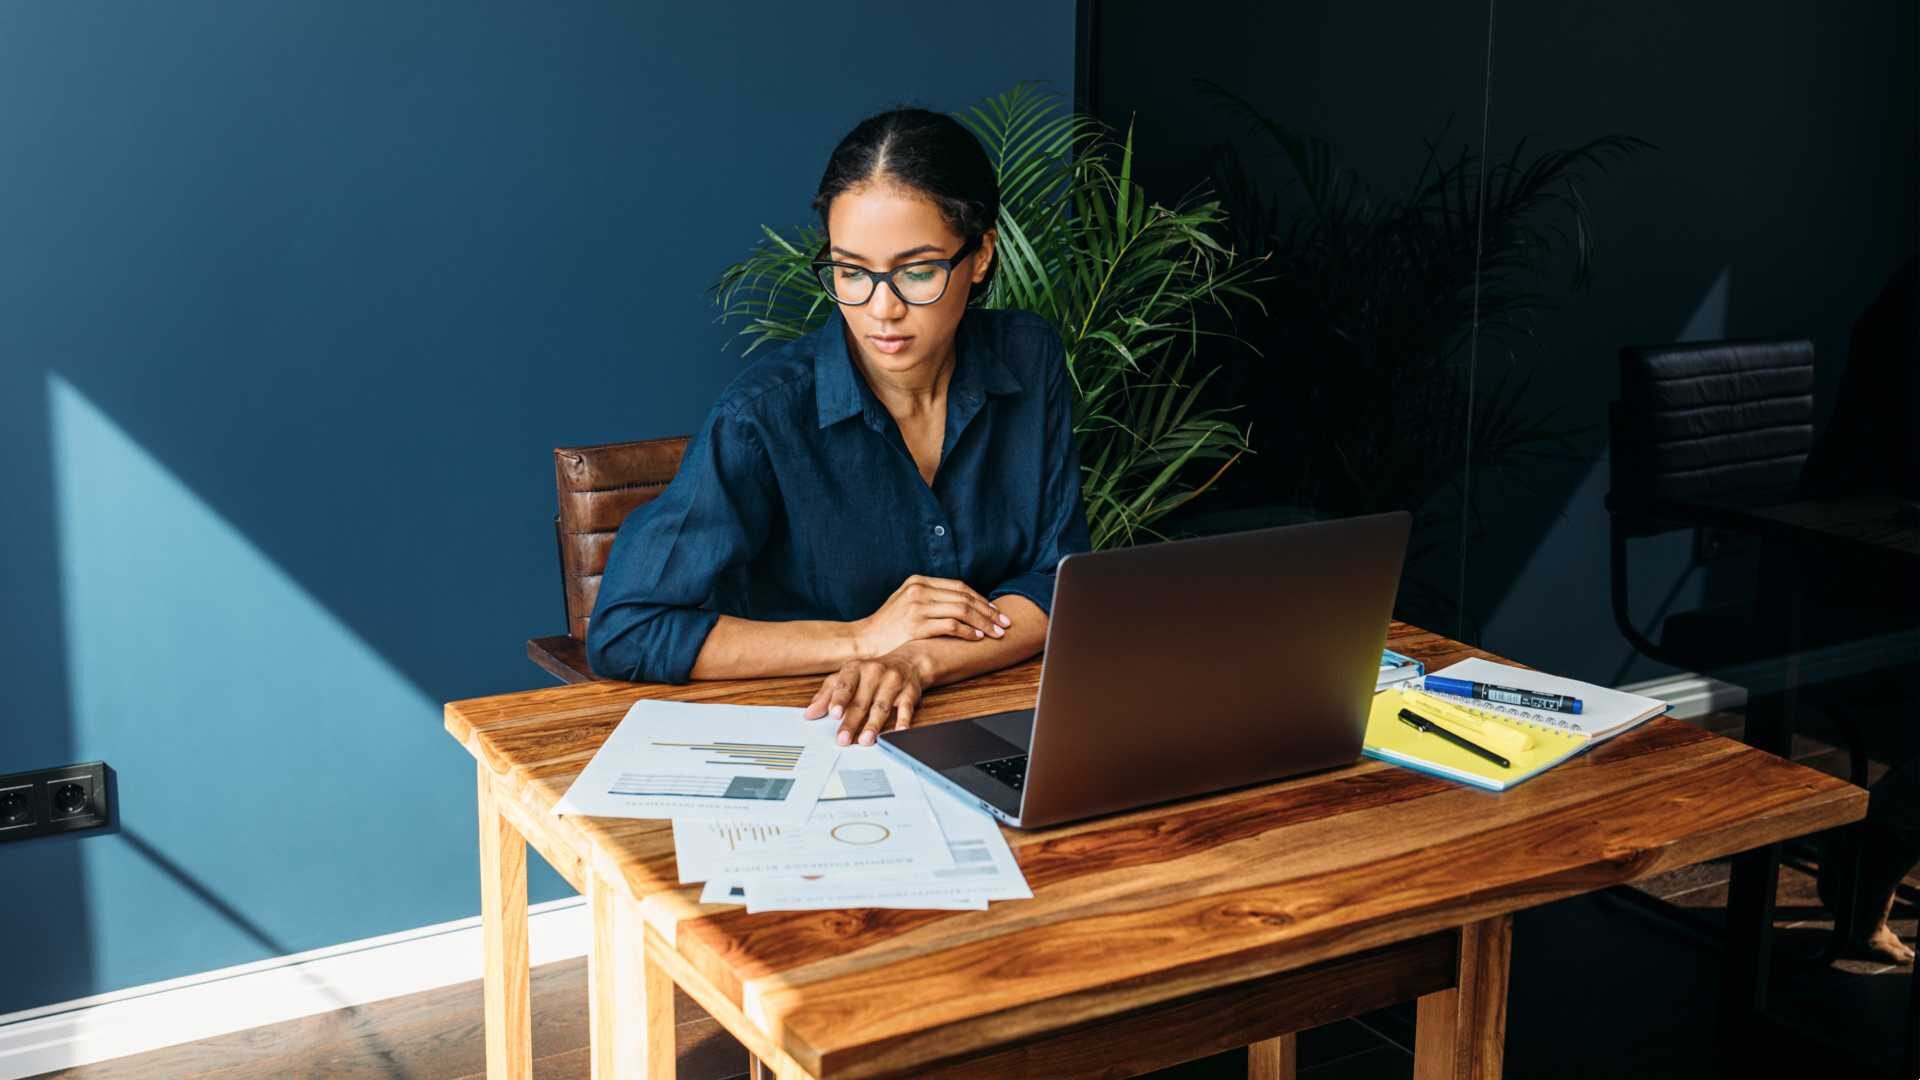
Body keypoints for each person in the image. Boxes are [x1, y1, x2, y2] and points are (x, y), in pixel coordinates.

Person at [586, 106, 1091, 750]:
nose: (882, 309)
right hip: (815, 737)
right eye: (851, 271)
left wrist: (916, 660)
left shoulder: (1030, 358)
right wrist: (862, 637)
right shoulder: (762, 415)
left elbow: (1058, 581)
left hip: (986, 720)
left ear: (982, 255)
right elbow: (628, 630)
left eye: (916, 271)